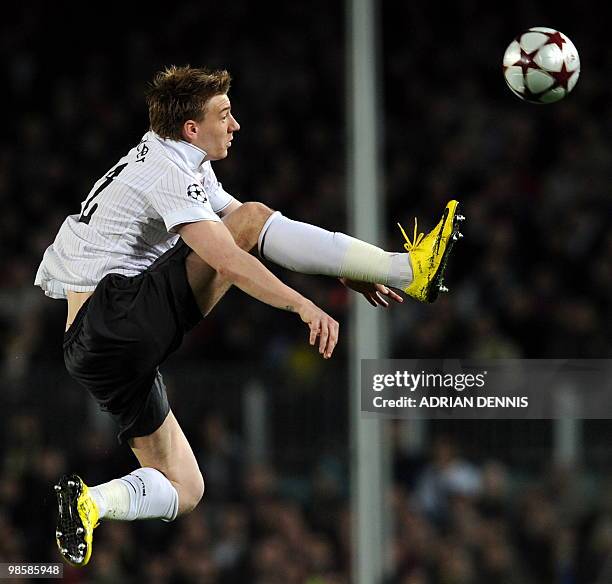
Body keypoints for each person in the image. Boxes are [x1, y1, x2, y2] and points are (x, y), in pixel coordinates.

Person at [34, 65, 463, 567]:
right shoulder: (164, 172)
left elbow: (256, 227)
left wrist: (340, 269)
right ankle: (406, 270)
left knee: (186, 486)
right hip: (113, 320)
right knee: (243, 229)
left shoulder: (180, 160)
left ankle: (89, 502)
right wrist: (299, 303)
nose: (236, 125)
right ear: (191, 128)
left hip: (97, 352)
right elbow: (230, 256)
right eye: (225, 114)